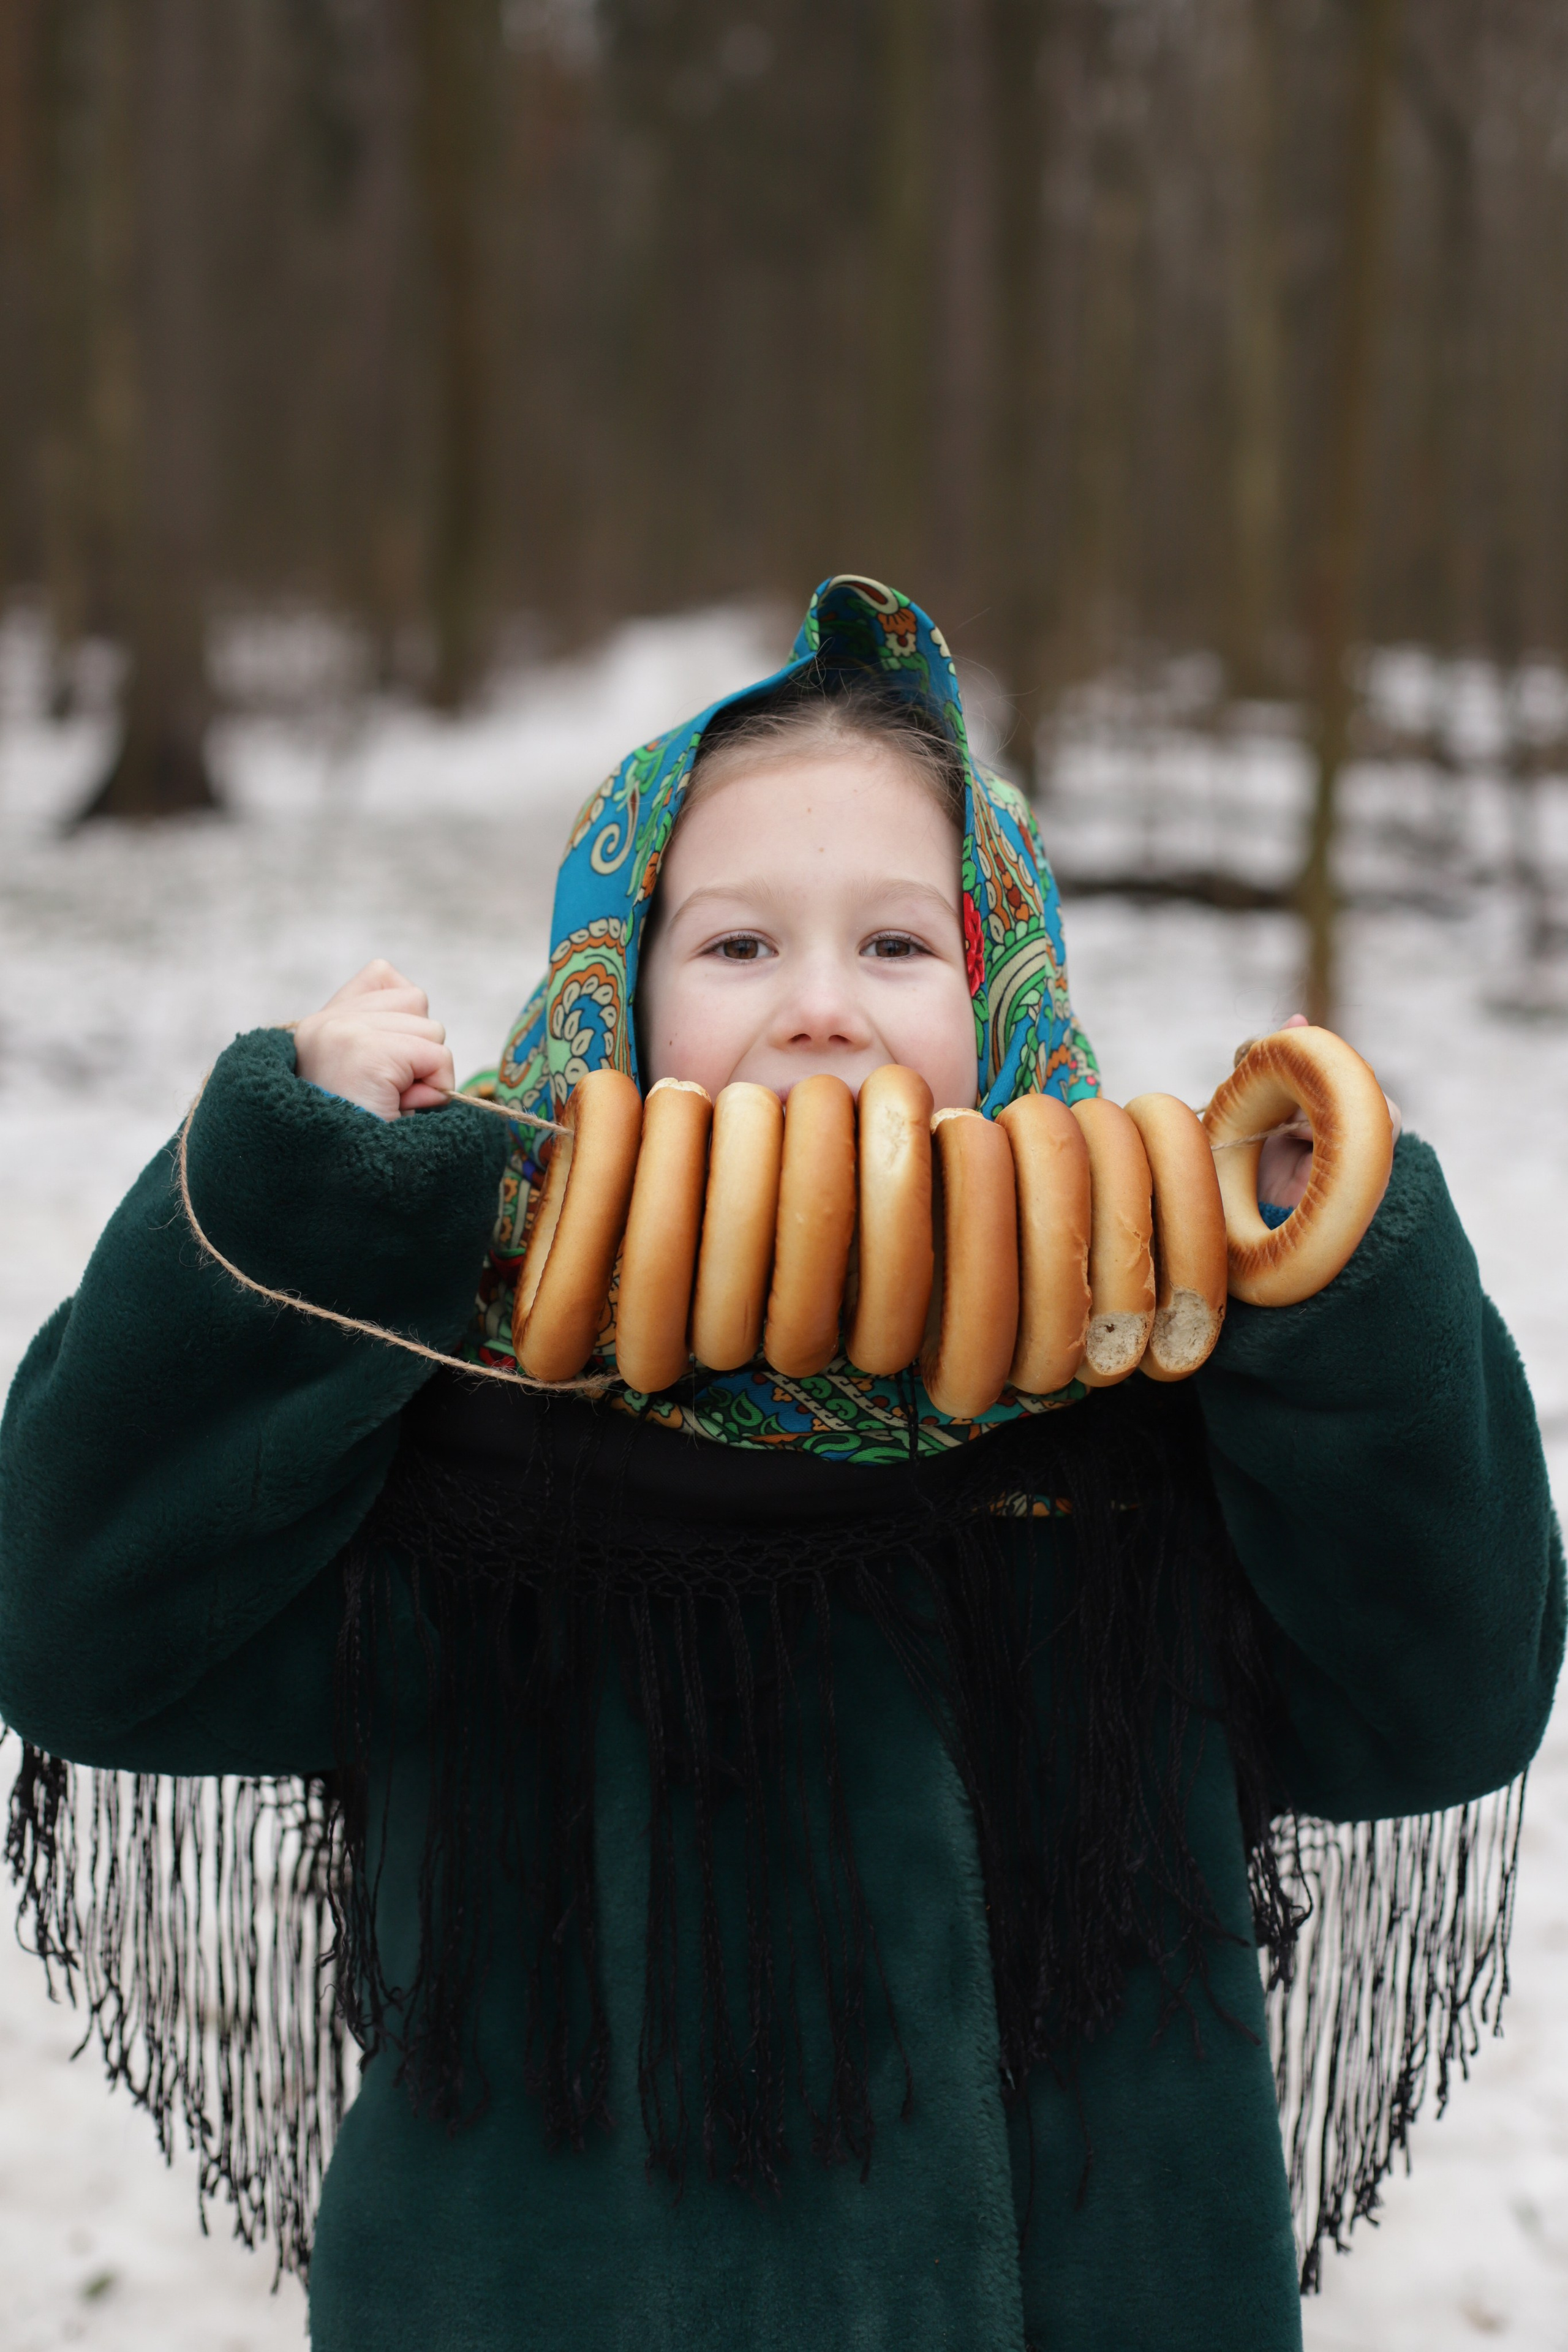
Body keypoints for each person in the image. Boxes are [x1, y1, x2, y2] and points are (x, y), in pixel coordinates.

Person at [0, 576, 1560, 2352]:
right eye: (737, 946)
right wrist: (316, 1214)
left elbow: (1446, 1697)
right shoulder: (456, 1419)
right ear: (621, 992)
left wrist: (1345, 1293)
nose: (823, 1007)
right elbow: (77, 1629)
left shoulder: (1153, 1428)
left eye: (899, 946)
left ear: (1008, 986)